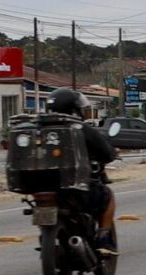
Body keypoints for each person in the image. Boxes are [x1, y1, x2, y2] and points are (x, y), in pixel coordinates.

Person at [48, 87, 119, 248]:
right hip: (76, 188)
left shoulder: (38, 129)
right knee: (107, 195)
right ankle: (103, 238)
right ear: (74, 110)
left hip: (45, 188)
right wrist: (112, 153)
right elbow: (107, 153)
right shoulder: (80, 129)